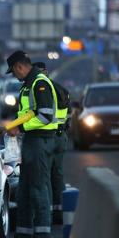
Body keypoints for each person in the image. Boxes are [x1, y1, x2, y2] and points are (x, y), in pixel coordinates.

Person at [0, 50, 58, 238]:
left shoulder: (40, 83)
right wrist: (9, 127)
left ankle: (41, 237)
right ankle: (22, 236)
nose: (14, 75)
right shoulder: (29, 85)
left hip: (41, 141)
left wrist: (19, 128)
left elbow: (46, 116)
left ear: (19, 67)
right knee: (24, 191)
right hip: (31, 141)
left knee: (38, 190)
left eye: (13, 72)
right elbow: (29, 113)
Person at [34, 62, 69, 225]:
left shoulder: (41, 88)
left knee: (45, 175)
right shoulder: (60, 88)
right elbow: (68, 113)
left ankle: (46, 213)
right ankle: (60, 212)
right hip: (61, 136)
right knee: (58, 174)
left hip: (47, 136)